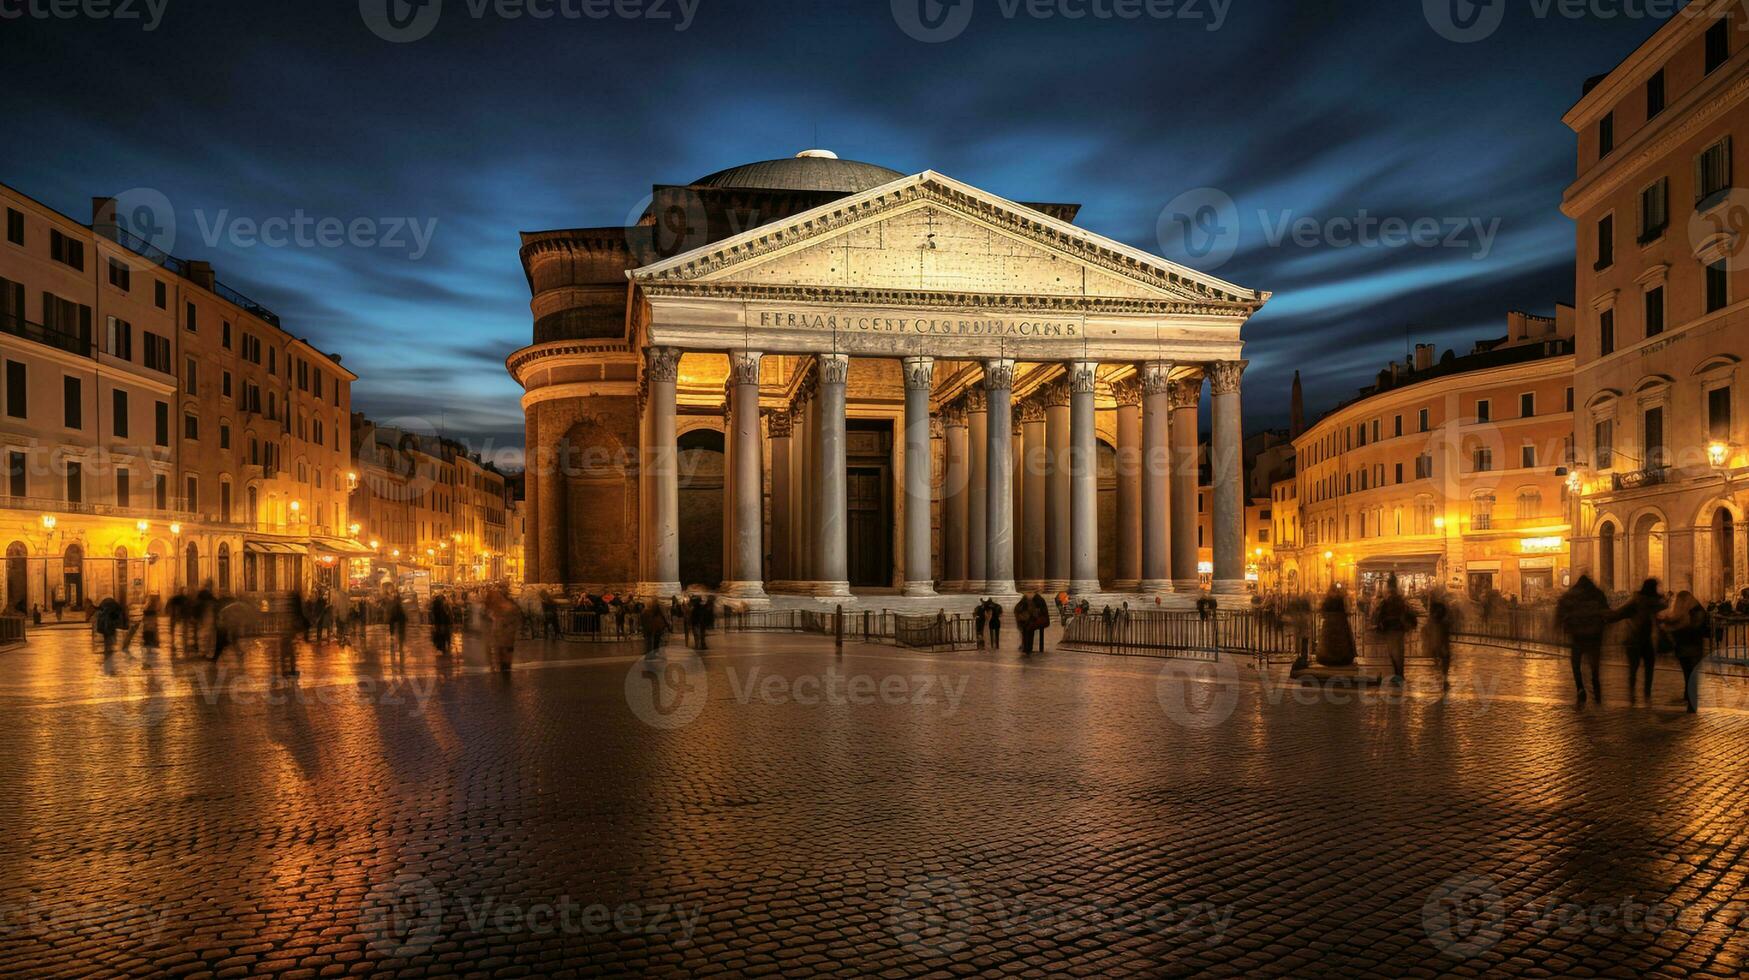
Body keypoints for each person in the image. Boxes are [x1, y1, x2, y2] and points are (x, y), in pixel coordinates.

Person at [1555, 574, 1611, 705]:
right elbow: (1606, 613)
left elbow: (1561, 610)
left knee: (1576, 664)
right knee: (1594, 666)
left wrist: (1560, 627)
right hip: (1595, 636)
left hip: (1577, 636)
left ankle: (1580, 687)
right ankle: (1596, 690)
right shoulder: (1598, 594)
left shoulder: (1572, 595)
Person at [1610, 579, 1665, 703]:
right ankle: (1646, 694)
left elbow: (1619, 613)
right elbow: (1664, 606)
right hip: (1642, 639)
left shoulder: (1637, 600)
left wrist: (1606, 617)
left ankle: (1633, 694)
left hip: (1634, 638)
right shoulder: (1652, 602)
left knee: (1634, 669)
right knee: (1648, 669)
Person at [1660, 591, 1710, 713]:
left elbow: (1678, 626)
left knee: (1689, 674)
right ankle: (1690, 699)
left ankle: (1690, 700)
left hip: (1685, 648)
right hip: (1693, 647)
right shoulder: (1697, 611)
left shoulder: (1681, 615)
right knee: (1691, 674)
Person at [1371, 576, 1417, 683]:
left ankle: (1398, 674)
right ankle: (1399, 673)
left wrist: (1379, 623)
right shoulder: (1400, 601)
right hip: (1398, 629)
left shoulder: (1387, 602)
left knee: (1393, 652)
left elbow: (1379, 613)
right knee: (1398, 652)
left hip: (1391, 629)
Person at [1316, 586, 1356, 667]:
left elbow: (1323, 611)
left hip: (1335, 625)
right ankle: (1334, 657)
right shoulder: (1336, 599)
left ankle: (1336, 657)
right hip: (1336, 624)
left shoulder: (1334, 600)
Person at [1423, 590, 1453, 691]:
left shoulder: (1435, 619)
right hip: (1440, 644)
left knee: (1444, 659)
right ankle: (1443, 679)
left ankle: (1443, 679)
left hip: (1439, 643)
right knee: (1445, 659)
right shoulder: (1440, 620)